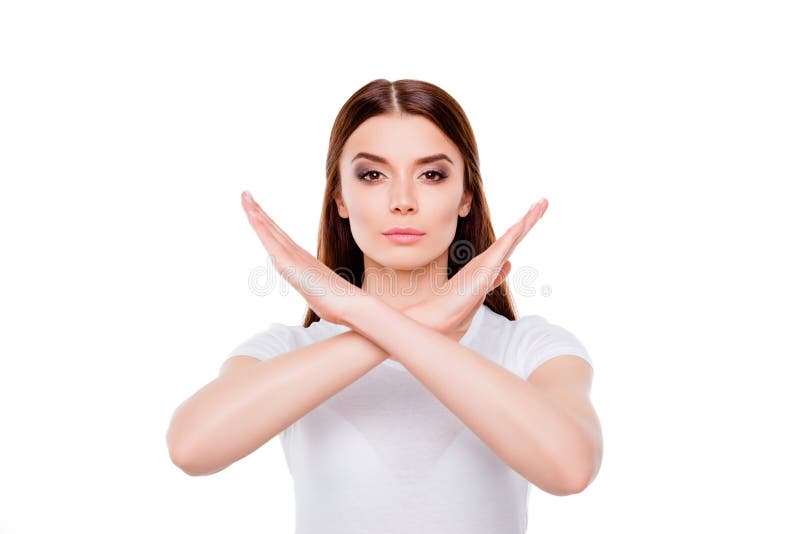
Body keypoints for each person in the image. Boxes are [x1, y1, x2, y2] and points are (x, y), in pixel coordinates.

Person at [167, 78, 603, 534]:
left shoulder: (529, 346)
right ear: (339, 196)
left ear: (465, 196)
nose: (402, 202)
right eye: (373, 175)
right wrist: (421, 322)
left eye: (431, 174)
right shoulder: (287, 348)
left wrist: (361, 315)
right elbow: (191, 448)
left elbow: (571, 468)